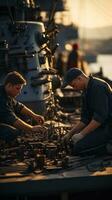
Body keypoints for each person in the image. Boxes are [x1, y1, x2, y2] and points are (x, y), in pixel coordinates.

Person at [61, 68, 112, 155]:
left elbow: (100, 117)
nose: (74, 88)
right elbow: (85, 118)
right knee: (74, 144)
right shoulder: (85, 91)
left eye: (73, 85)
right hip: (101, 126)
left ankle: (109, 147)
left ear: (80, 78)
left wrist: (81, 134)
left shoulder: (98, 87)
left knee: (79, 148)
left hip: (109, 127)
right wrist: (70, 134)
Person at [0, 71, 45, 143]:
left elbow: (19, 106)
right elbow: (12, 119)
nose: (19, 92)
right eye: (17, 88)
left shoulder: (6, 93)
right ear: (9, 85)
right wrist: (31, 128)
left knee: (27, 117)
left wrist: (34, 115)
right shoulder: (1, 99)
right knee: (13, 132)